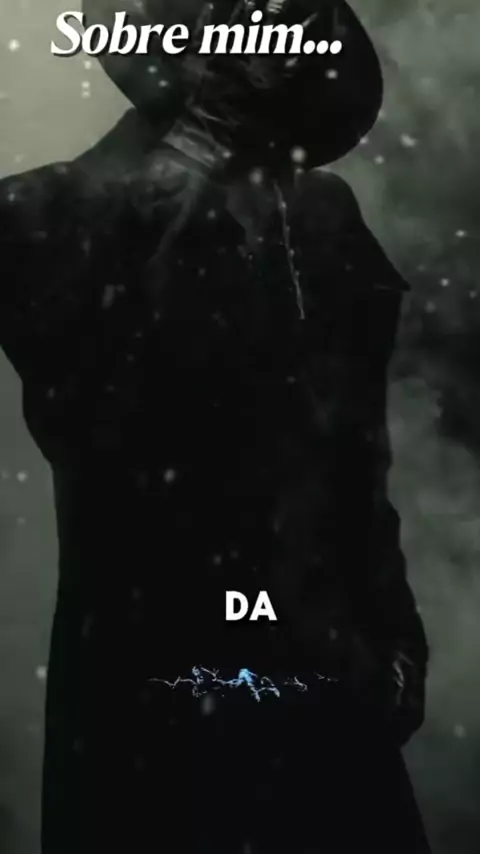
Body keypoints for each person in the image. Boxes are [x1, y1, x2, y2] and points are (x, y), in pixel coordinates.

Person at [0, 1, 431, 851]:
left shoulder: (320, 216)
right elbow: (100, 424)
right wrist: (185, 168)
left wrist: (393, 633)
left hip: (325, 674)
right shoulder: (39, 214)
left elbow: (355, 462)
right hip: (150, 687)